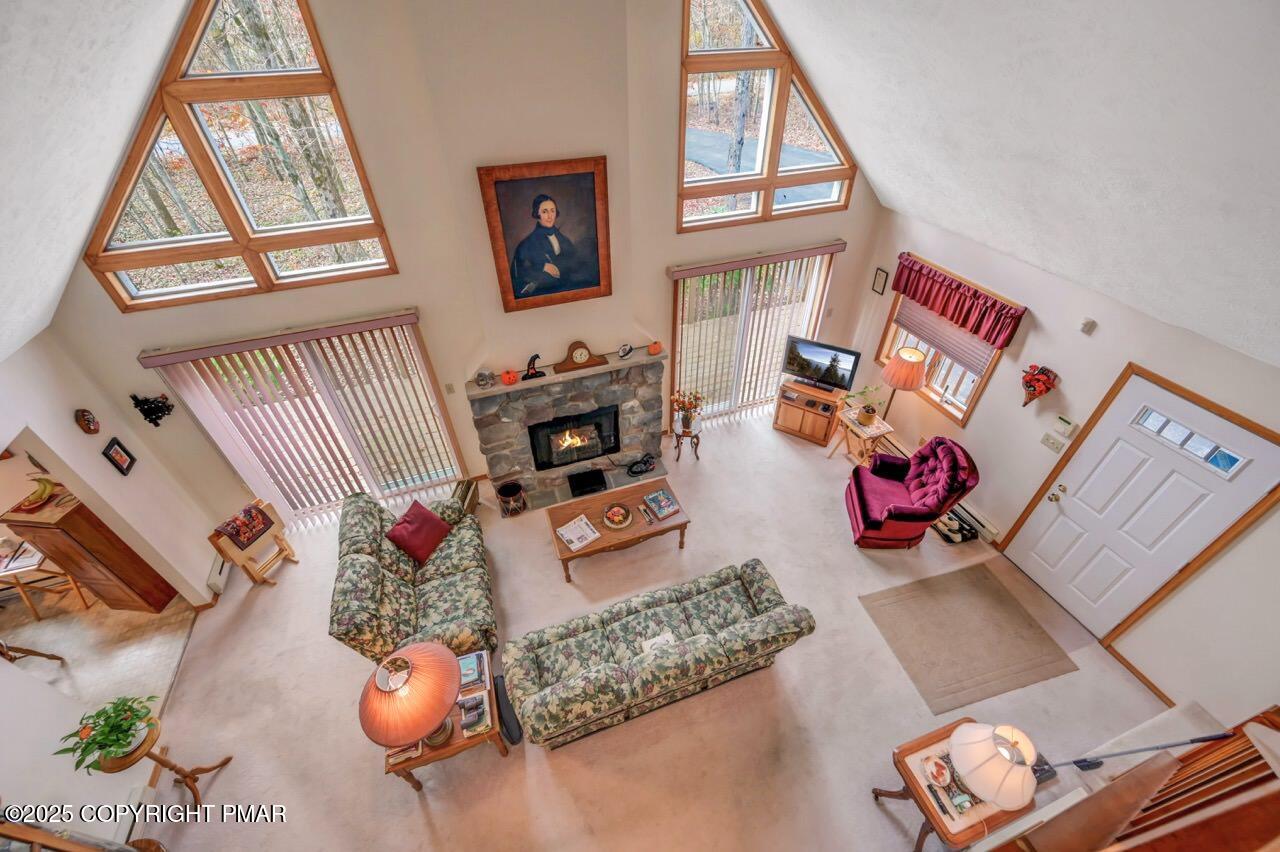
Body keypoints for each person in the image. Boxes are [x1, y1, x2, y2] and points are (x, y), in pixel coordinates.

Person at [510, 194, 585, 296]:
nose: (550, 216)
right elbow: (517, 275)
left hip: (569, 291)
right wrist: (541, 267)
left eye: (552, 211)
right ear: (537, 214)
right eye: (545, 211)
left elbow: (576, 263)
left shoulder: (564, 240)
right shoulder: (526, 245)